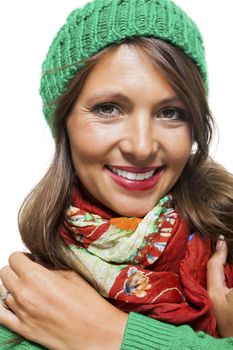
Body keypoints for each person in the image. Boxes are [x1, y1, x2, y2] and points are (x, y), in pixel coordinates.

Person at [0, 0, 233, 348]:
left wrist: (109, 334)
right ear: (64, 123)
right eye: (109, 109)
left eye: (170, 112)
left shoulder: (225, 238)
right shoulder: (30, 303)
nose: (141, 146)